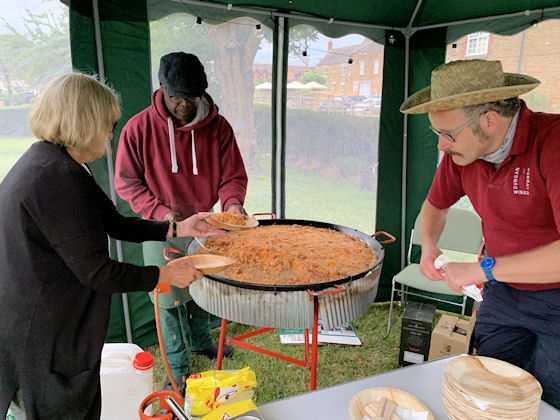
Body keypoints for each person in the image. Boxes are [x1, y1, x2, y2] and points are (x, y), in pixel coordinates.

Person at [0, 72, 225, 419]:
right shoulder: (55, 178)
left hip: (42, 320)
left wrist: (178, 226)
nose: (110, 133)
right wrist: (166, 274)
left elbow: (113, 222)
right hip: (42, 331)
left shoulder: (58, 163)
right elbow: (98, 273)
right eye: (108, 124)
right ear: (85, 121)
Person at [400, 59, 560, 408]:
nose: (441, 146)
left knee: (548, 397)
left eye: (448, 134)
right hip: (501, 294)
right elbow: (434, 207)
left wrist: (484, 269)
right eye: (436, 134)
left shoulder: (553, 142)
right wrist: (429, 245)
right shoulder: (464, 152)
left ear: (489, 119)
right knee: (488, 387)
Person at [115, 52, 248, 392]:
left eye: (192, 98)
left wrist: (232, 205)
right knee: (168, 301)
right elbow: (127, 183)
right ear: (162, 89)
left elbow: (232, 176)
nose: (185, 105)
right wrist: (162, 213)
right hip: (161, 230)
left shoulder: (219, 127)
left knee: (201, 287)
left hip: (206, 225)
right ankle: (178, 372)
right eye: (177, 98)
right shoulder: (138, 129)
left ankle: (203, 341)